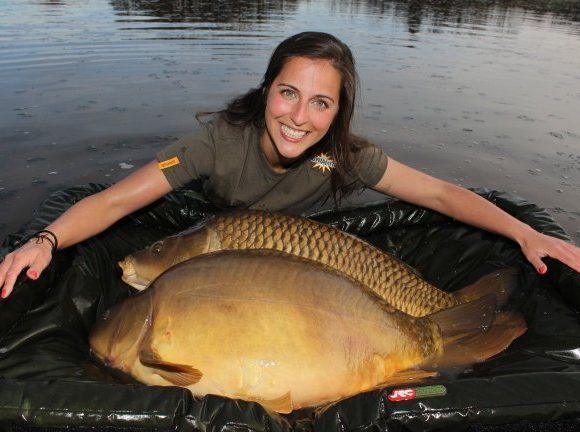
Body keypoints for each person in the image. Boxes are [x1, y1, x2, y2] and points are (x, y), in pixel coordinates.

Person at [0, 32, 579, 299]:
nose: (299, 117)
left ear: (337, 113)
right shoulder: (216, 141)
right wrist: (46, 241)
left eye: (321, 102)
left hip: (303, 251)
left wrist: (527, 234)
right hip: (221, 232)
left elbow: (442, 195)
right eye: (288, 94)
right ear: (267, 90)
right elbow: (117, 201)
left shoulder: (345, 155)